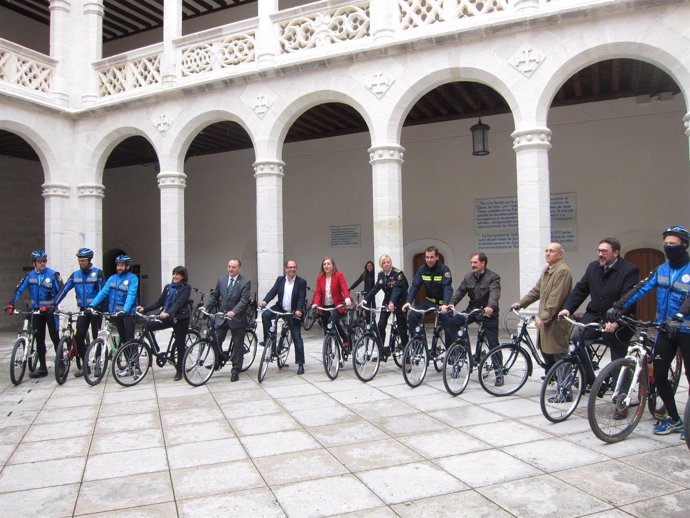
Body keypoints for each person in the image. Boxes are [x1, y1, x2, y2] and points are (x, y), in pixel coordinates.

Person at [609, 226, 690, 436]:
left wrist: (680, 317)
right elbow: (640, 288)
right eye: (666, 244)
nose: (668, 247)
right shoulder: (661, 269)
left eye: (673, 244)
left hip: (686, 330)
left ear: (684, 246)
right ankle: (674, 419)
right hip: (664, 329)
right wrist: (618, 306)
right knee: (660, 375)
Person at [558, 238, 639, 387]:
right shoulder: (593, 267)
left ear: (616, 253)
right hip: (594, 316)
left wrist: (616, 321)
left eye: (604, 251)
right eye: (598, 251)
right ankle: (592, 381)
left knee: (618, 357)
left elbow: (629, 298)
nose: (600, 255)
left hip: (619, 319)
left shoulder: (629, 270)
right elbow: (580, 290)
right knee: (577, 338)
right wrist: (567, 308)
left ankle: (620, 395)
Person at [511, 242, 573, 373]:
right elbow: (536, 290)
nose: (548, 253)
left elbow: (555, 299)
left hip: (556, 322)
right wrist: (521, 303)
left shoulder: (562, 271)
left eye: (552, 251)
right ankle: (554, 380)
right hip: (546, 321)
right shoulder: (547, 270)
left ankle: (565, 390)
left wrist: (543, 317)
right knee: (547, 353)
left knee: (559, 356)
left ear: (560, 255)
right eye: (546, 251)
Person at [4, 249, 62, 378]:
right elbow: (19, 290)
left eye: (44, 261)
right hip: (37, 311)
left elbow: (61, 291)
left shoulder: (53, 275)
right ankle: (42, 367)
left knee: (54, 337)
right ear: (34, 263)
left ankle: (61, 364)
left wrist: (53, 305)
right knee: (39, 339)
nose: (43, 263)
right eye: (40, 261)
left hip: (50, 311)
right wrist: (11, 304)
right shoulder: (29, 276)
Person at [53, 248, 106, 377]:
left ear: (89, 260)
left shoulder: (98, 273)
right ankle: (85, 364)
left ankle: (98, 363)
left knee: (96, 336)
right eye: (79, 260)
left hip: (95, 311)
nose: (81, 263)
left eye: (83, 260)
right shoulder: (75, 275)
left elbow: (103, 293)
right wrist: (53, 304)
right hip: (83, 310)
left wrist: (99, 309)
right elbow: (64, 290)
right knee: (78, 337)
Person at [442, 252, 501, 361]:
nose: (472, 265)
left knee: (493, 343)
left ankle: (499, 372)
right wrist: (451, 303)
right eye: (471, 262)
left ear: (483, 263)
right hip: (473, 310)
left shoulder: (493, 277)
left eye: (475, 262)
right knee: (452, 323)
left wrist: (490, 307)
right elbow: (460, 291)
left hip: (488, 313)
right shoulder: (468, 277)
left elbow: (494, 294)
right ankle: (462, 348)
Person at [136, 266, 191, 381]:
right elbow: (159, 302)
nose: (175, 276)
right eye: (174, 274)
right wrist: (144, 309)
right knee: (147, 326)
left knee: (180, 344)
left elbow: (179, 303)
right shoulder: (168, 287)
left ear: (183, 276)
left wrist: (168, 312)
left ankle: (179, 370)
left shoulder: (186, 288)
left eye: (178, 274)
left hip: (180, 318)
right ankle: (156, 350)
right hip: (167, 316)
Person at [259, 259, 308, 375]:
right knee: (265, 314)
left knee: (297, 337)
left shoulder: (301, 282)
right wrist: (265, 301)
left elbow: (301, 297)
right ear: (285, 268)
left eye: (294, 267)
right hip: (280, 308)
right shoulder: (280, 280)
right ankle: (269, 341)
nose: (292, 269)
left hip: (293, 311)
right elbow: (273, 292)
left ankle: (300, 364)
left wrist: (299, 310)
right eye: (290, 267)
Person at [206, 258, 251, 382]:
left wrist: (234, 311)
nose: (231, 269)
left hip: (236, 317)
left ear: (239, 268)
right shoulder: (222, 280)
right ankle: (217, 362)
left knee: (237, 345)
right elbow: (215, 296)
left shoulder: (245, 282)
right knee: (215, 340)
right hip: (222, 317)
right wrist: (206, 306)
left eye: (234, 267)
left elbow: (244, 300)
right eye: (229, 266)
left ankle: (236, 370)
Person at [402, 246, 453, 353]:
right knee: (412, 316)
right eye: (427, 257)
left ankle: (451, 354)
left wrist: (445, 304)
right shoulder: (422, 269)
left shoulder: (444, 270)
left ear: (437, 257)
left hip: (442, 303)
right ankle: (418, 347)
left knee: (449, 327)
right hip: (429, 302)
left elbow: (448, 288)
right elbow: (415, 286)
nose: (429, 260)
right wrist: (408, 302)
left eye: (432, 257)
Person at [362, 254, 409, 358]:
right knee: (381, 325)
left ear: (390, 263)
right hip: (388, 301)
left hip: (400, 301)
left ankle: (407, 356)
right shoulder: (381, 275)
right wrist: (365, 300)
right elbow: (375, 288)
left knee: (402, 328)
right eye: (384, 263)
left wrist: (393, 302)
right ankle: (382, 351)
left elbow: (397, 289)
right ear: (380, 265)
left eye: (388, 262)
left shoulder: (398, 274)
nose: (386, 264)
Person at [90, 254, 139, 345]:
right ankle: (127, 357)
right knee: (123, 340)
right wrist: (92, 305)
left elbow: (131, 295)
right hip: (116, 313)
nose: (119, 267)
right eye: (118, 265)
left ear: (127, 266)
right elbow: (103, 292)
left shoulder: (133, 278)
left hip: (127, 314)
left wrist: (125, 310)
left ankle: (134, 359)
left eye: (122, 265)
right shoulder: (112, 278)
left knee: (129, 340)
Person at [312, 257, 353, 350]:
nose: (326, 266)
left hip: (337, 305)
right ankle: (328, 347)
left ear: (333, 265)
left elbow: (344, 287)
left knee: (332, 321)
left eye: (328, 264)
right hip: (324, 306)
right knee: (327, 327)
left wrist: (347, 298)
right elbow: (318, 292)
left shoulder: (338, 275)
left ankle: (344, 338)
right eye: (324, 264)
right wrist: (315, 303)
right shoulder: (320, 278)